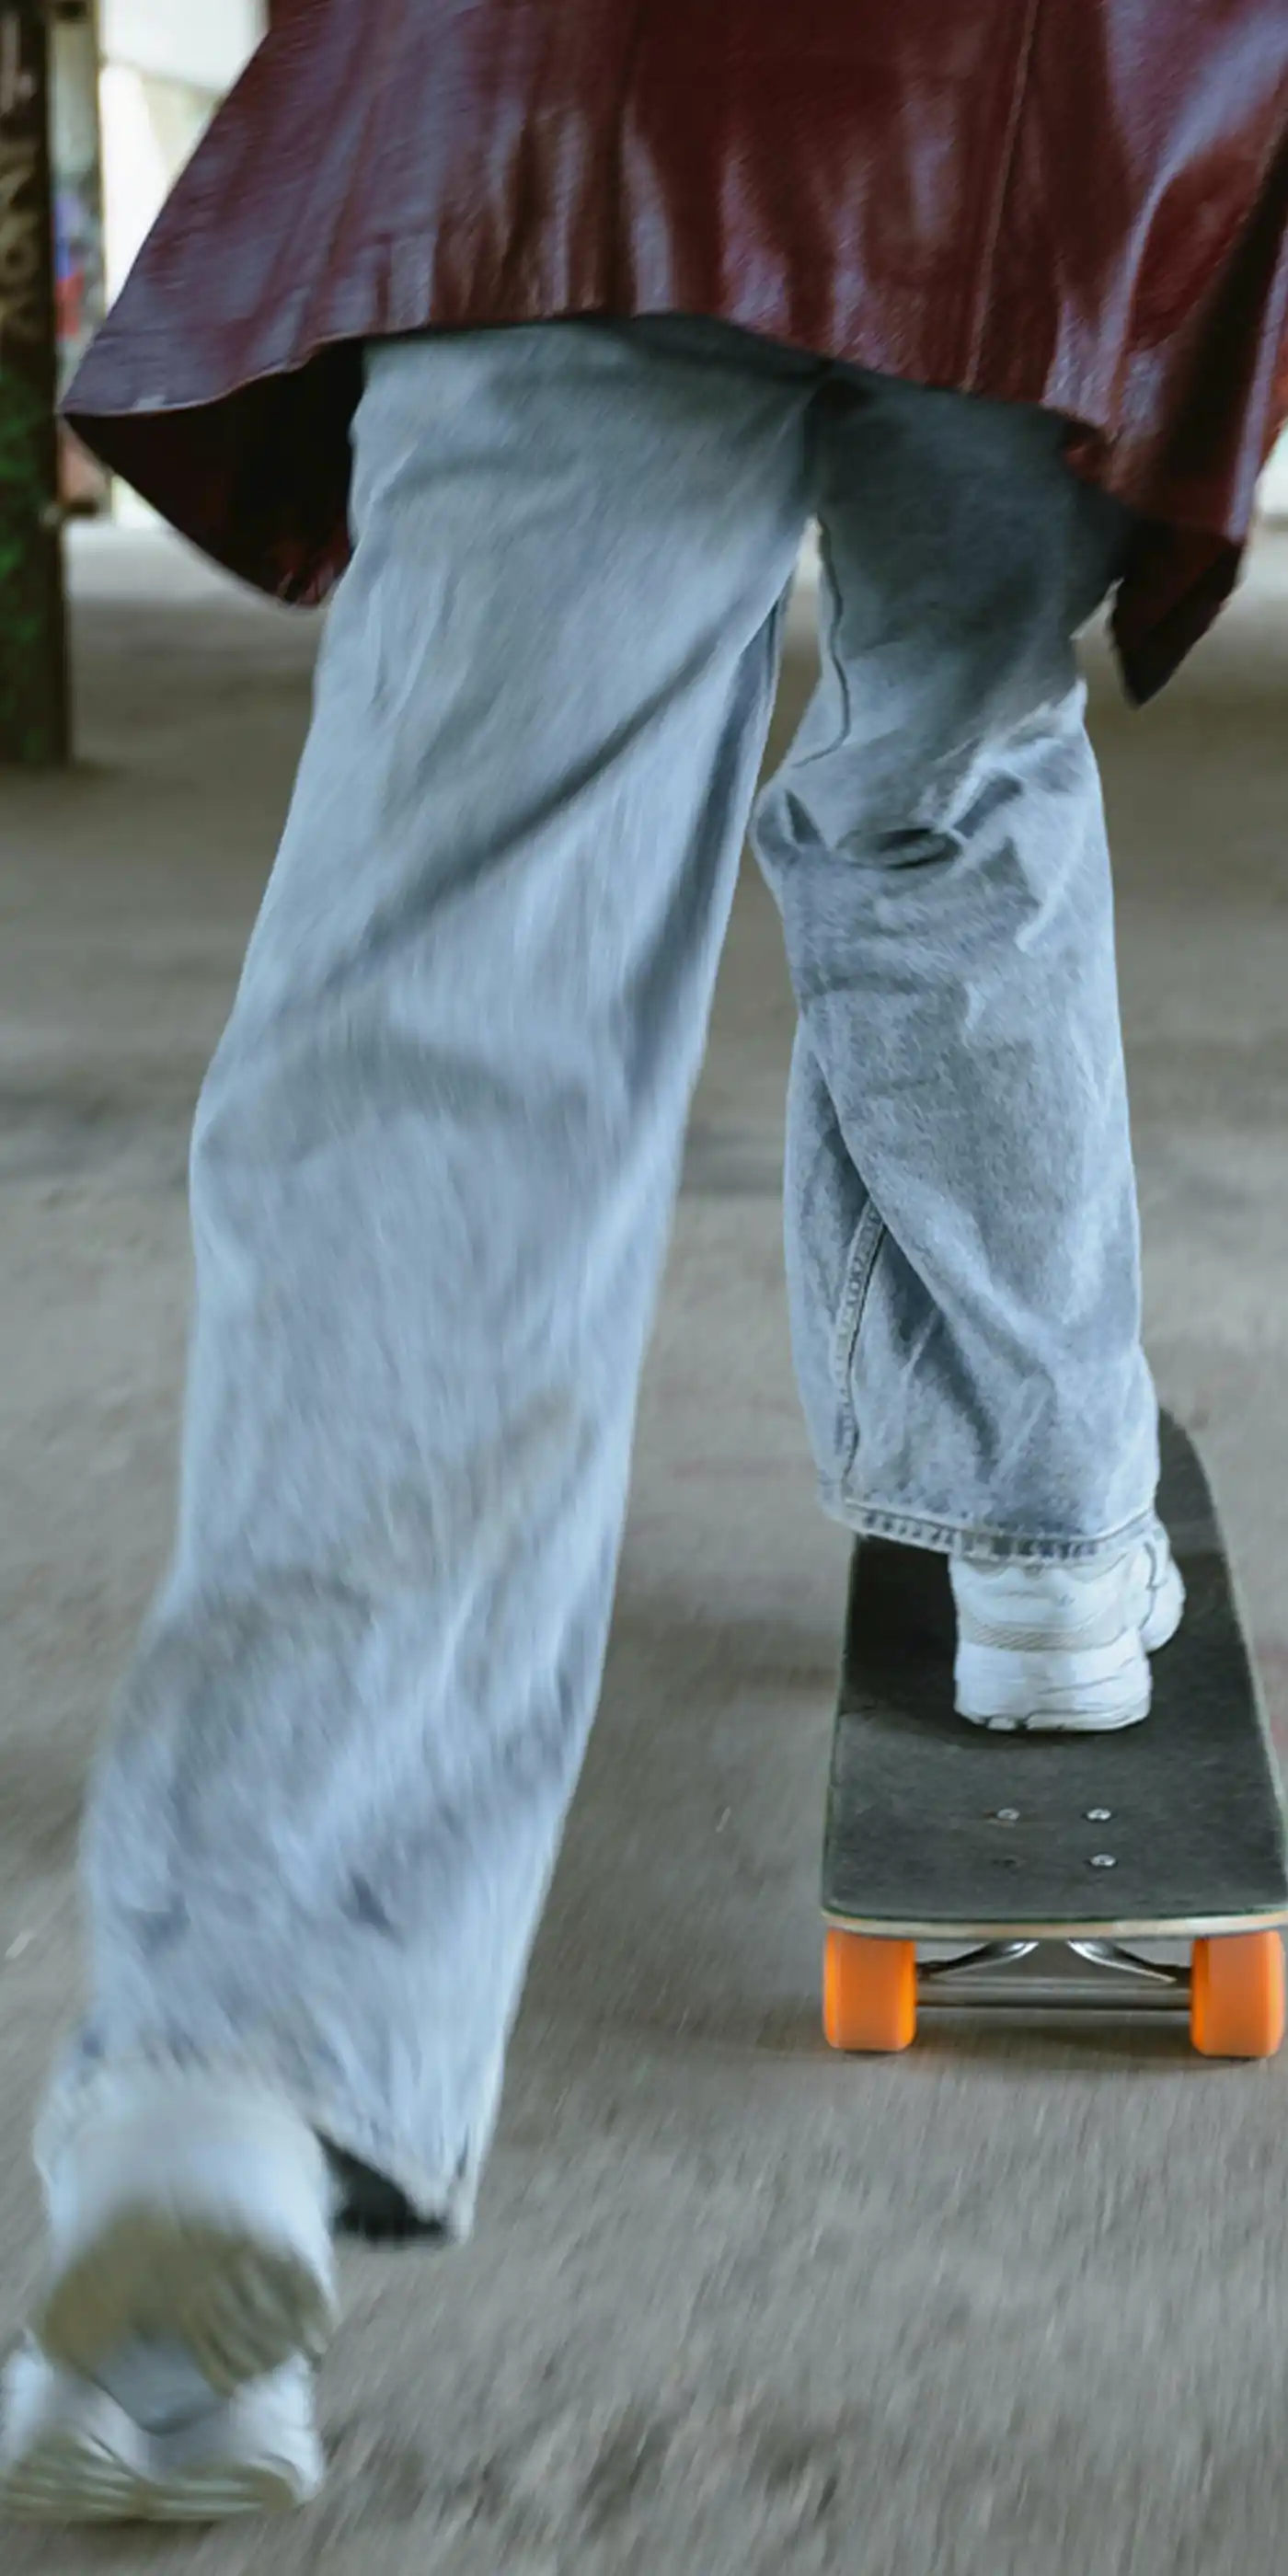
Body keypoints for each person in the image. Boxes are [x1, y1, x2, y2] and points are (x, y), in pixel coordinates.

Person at [5, 0, 1287, 2525]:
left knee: (458, 988)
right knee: (950, 779)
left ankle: (234, 2070)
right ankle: (1045, 1552)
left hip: (577, 77)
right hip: (1050, 98)